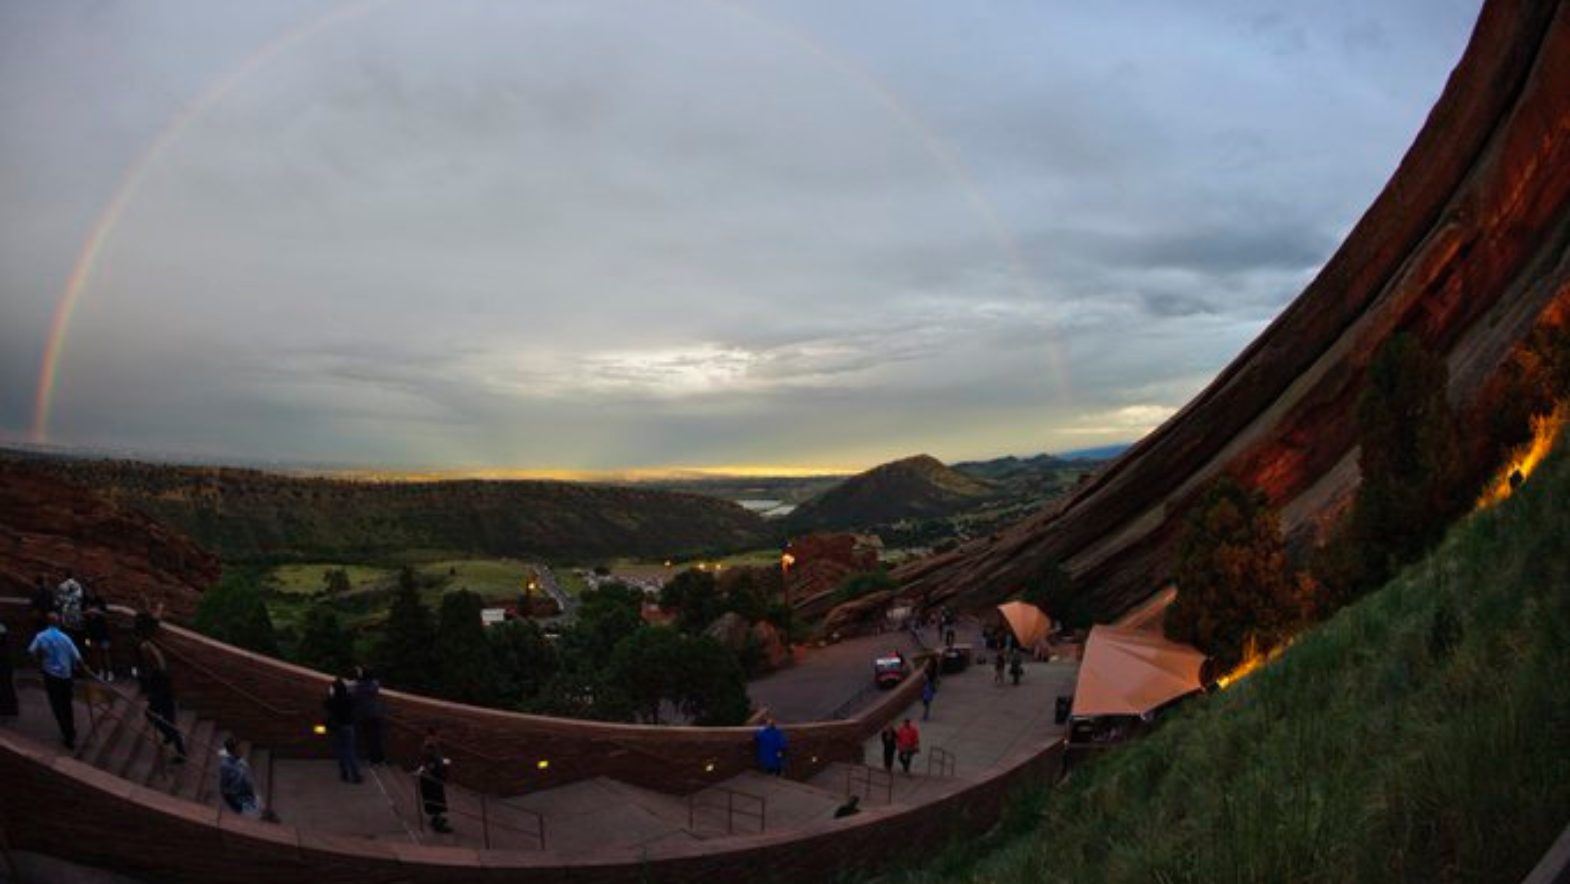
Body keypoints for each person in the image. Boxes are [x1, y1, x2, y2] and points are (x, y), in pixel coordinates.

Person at [134, 611, 187, 763]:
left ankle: (180, 751)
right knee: (152, 715)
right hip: (161, 694)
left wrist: (152, 696)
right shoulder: (152, 656)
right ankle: (169, 734)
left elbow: (162, 687)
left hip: (164, 696)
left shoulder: (158, 669)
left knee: (168, 723)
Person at [28, 612, 84, 749]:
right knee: (67, 705)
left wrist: (39, 662)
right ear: (59, 623)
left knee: (57, 706)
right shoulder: (65, 638)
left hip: (51, 675)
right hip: (66, 676)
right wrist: (77, 667)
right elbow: (77, 657)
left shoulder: (41, 636)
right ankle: (70, 731)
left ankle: (67, 733)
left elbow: (31, 651)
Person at [324, 677, 362, 783]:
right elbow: (354, 698)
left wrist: (331, 694)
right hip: (348, 726)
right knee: (350, 750)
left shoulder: (332, 700)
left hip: (336, 727)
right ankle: (356, 775)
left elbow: (326, 705)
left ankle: (344, 773)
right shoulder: (349, 698)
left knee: (340, 751)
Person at [219, 737, 265, 818]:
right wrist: (238, 807)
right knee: (257, 818)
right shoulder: (227, 767)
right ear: (232, 751)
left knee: (263, 809)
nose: (241, 750)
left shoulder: (239, 760)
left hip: (250, 795)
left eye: (240, 747)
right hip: (243, 802)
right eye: (238, 748)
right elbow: (225, 791)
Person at [417, 728, 452, 833]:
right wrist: (432, 777)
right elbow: (426, 765)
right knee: (434, 800)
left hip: (435, 776)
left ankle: (437, 818)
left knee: (438, 800)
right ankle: (437, 824)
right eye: (437, 736)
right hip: (431, 778)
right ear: (431, 736)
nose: (439, 739)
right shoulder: (428, 748)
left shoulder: (433, 746)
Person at [352, 666, 385, 766]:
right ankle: (379, 759)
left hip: (365, 715)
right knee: (376, 738)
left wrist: (359, 675)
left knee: (368, 739)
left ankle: (372, 760)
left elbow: (354, 695)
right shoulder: (375, 684)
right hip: (376, 714)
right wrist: (361, 673)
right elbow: (370, 680)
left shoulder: (359, 686)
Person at [82, 587, 112, 681]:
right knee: (94, 652)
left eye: (90, 591)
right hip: (91, 633)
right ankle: (99, 672)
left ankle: (108, 673)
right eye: (87, 591)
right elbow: (81, 613)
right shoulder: (85, 601)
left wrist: (97, 612)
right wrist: (87, 612)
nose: (88, 593)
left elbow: (107, 615)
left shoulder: (100, 601)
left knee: (105, 652)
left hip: (103, 632)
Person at [55, 573, 85, 646]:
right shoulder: (78, 587)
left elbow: (57, 603)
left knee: (66, 638)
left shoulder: (62, 586)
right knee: (76, 639)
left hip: (65, 618)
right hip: (76, 618)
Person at [0, 622, 18, 721]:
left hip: (3, 663)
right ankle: (9, 708)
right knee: (6, 686)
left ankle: (6, 708)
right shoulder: (3, 628)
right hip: (5, 663)